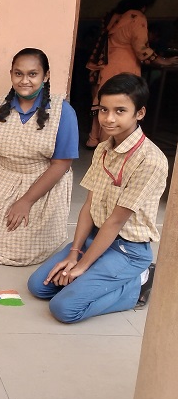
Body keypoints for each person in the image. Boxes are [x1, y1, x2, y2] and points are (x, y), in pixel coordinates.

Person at [27, 74, 168, 323]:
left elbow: (115, 222)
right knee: (39, 286)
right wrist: (74, 252)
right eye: (104, 110)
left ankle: (140, 283)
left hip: (127, 250)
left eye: (120, 111)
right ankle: (95, 276)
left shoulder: (151, 160)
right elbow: (89, 205)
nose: (109, 118)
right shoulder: (103, 148)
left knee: (65, 309)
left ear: (140, 113)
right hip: (97, 237)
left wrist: (81, 267)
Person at [0, 48, 79, 266]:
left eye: (33, 74)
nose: (25, 80)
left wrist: (26, 201)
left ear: (46, 76)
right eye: (18, 74)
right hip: (2, 179)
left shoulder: (63, 112)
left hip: (40, 185)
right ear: (11, 74)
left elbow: (61, 165)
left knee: (23, 247)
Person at [85, 0, 178, 148]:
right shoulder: (137, 17)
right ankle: (110, 145)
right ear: (146, 5)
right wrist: (165, 61)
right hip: (124, 68)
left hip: (106, 66)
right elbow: (142, 50)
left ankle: (93, 140)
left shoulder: (115, 16)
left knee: (104, 105)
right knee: (120, 108)